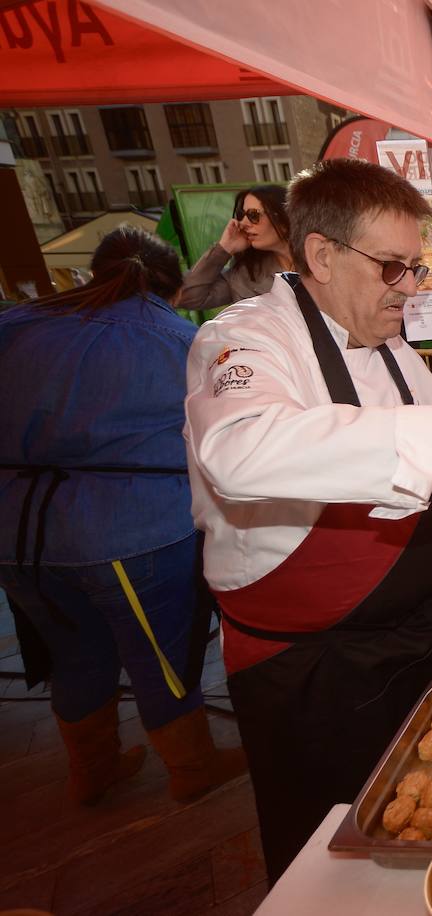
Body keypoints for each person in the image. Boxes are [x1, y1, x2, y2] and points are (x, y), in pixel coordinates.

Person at [183, 158, 432, 882]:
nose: (411, 288)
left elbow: (422, 465)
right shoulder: (242, 340)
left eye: (416, 267)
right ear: (321, 254)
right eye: (394, 268)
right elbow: (240, 454)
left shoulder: (396, 354)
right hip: (311, 666)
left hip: (420, 637)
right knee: (331, 860)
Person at [0, 227, 247, 807]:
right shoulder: (178, 340)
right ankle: (192, 770)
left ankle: (92, 772)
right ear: (167, 284)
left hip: (15, 537)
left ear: (97, 271)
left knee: (74, 654)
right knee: (160, 656)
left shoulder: (13, 325)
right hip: (130, 534)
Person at [178, 185, 294, 311]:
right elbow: (187, 297)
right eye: (241, 214)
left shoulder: (316, 259)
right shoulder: (247, 273)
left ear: (282, 218)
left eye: (253, 215)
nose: (243, 223)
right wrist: (224, 248)